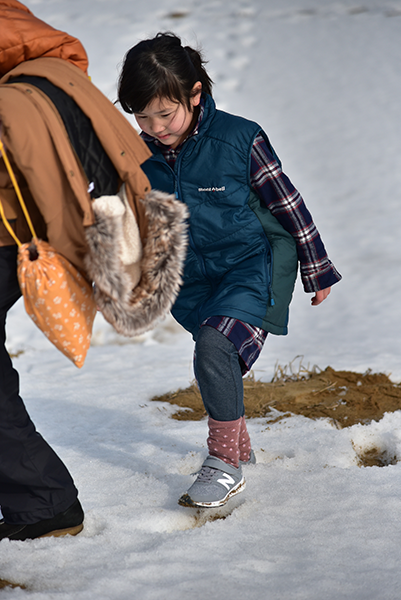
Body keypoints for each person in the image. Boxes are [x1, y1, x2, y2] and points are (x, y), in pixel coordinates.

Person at [117, 32, 342, 509]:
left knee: (216, 347)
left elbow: (288, 204)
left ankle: (224, 464)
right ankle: (240, 447)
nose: (155, 126)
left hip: (249, 266)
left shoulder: (239, 138)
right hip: (190, 282)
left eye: (166, 113)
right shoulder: (136, 156)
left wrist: (316, 268)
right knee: (215, 357)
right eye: (142, 116)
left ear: (195, 94)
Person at [0, 4, 186, 540]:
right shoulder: (52, 69)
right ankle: (40, 500)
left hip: (24, 238)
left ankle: (42, 503)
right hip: (47, 236)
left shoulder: (17, 94)